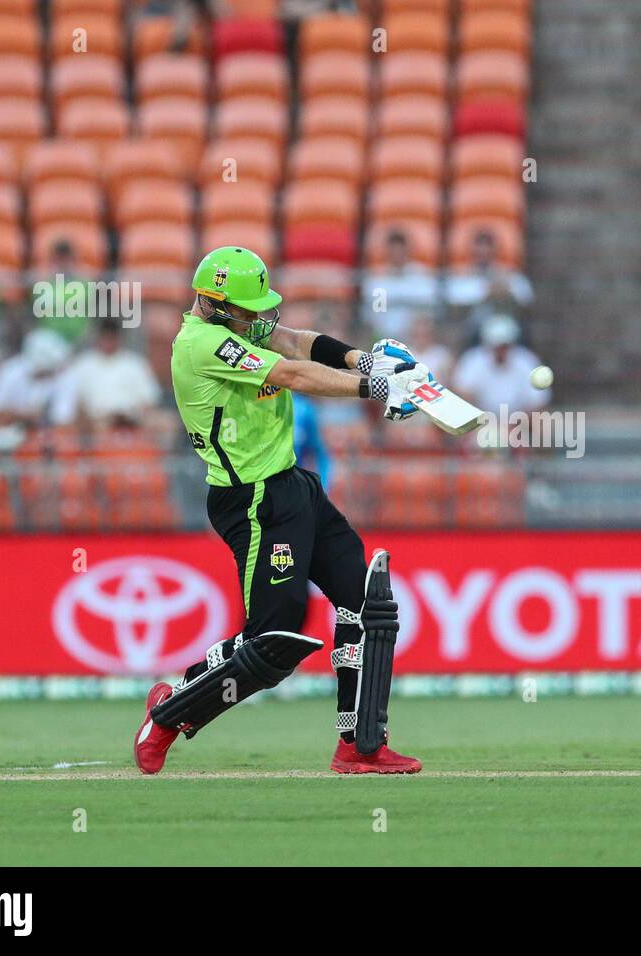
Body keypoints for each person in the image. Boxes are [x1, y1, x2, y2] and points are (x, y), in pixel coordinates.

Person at [134, 245, 428, 776]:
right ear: (216, 304)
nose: (262, 317)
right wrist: (378, 388)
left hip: (294, 485)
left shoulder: (243, 324)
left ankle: (360, 745)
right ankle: (169, 711)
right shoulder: (201, 345)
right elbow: (293, 373)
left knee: (367, 605)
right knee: (272, 643)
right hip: (251, 500)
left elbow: (298, 341)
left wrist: (365, 360)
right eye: (252, 309)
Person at [53, 319, 161, 427]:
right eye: (105, 337)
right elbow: (71, 400)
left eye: (112, 338)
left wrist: (132, 415)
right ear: (98, 337)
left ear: (120, 338)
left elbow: (150, 399)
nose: (108, 342)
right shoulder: (83, 364)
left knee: (165, 422)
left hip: (131, 421)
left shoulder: (135, 363)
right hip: (95, 422)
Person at [452, 313, 550, 415]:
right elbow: (462, 393)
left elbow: (539, 401)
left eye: (504, 347)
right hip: (481, 420)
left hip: (519, 421)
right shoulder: (473, 360)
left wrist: (515, 422)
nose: (500, 351)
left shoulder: (527, 361)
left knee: (541, 421)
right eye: (496, 347)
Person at [0, 328, 75, 428]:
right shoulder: (9, 372)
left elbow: (62, 419)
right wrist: (25, 416)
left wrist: (35, 417)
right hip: (8, 432)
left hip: (46, 434)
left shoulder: (65, 376)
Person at [359, 229, 438, 340]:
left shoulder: (421, 277)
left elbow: (426, 312)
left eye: (400, 250)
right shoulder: (377, 281)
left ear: (408, 251)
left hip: (416, 338)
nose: (397, 255)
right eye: (393, 250)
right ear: (387, 252)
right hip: (384, 339)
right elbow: (374, 317)